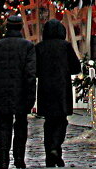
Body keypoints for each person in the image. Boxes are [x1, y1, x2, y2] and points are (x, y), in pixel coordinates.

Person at [0, 14, 36, 169]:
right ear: (21, 27)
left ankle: (3, 160)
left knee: (2, 127)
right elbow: (30, 74)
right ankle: (19, 158)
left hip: (0, 93)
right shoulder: (27, 46)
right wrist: (30, 97)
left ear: (6, 27)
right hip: (21, 93)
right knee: (20, 126)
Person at [36, 19, 81, 167]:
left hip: (45, 89)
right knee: (61, 120)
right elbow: (76, 67)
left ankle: (50, 153)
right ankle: (55, 147)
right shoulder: (66, 46)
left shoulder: (39, 47)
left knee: (49, 122)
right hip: (62, 88)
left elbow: (34, 69)